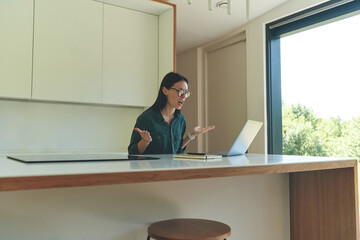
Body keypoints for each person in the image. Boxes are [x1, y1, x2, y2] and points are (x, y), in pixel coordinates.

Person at [128, 72, 215, 154]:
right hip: (154, 169)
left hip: (174, 168)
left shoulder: (181, 119)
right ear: (165, 91)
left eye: (186, 93)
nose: (184, 96)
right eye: (180, 91)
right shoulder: (146, 118)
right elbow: (132, 153)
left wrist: (192, 135)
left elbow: (177, 150)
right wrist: (144, 142)